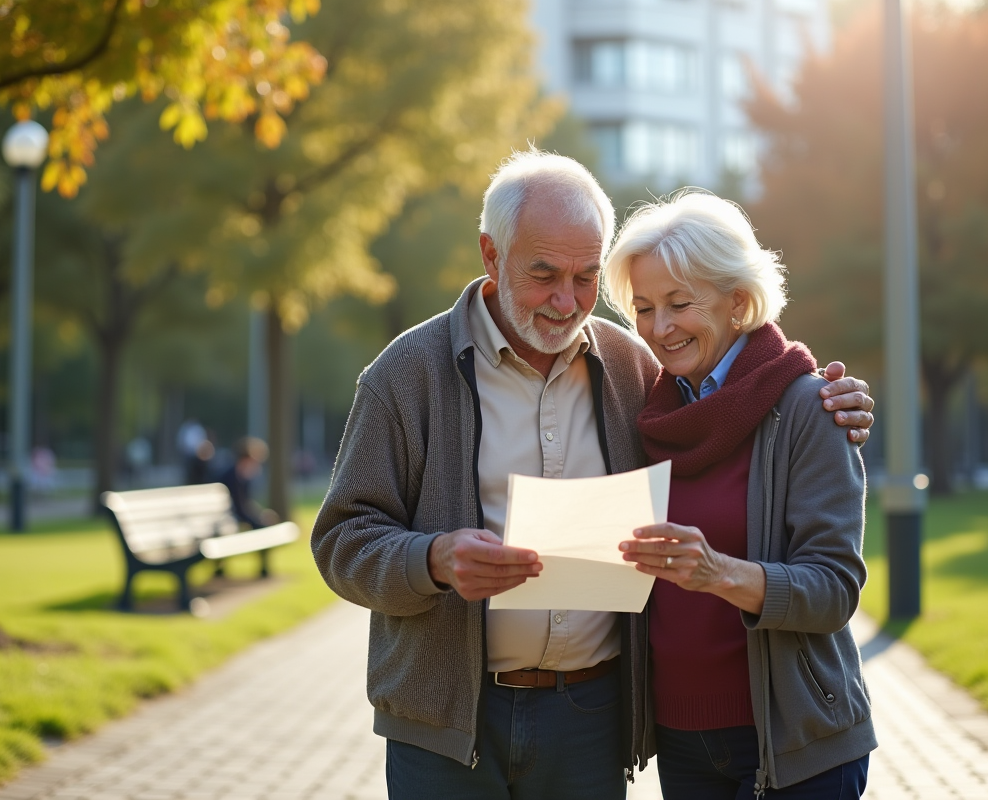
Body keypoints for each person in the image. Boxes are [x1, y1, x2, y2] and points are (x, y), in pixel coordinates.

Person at [311, 151, 875, 800]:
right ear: (491, 256)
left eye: (585, 277)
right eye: (544, 273)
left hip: (591, 718)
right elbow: (339, 540)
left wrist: (828, 396)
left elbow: (737, 375)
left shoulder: (631, 367)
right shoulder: (405, 375)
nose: (567, 301)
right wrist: (432, 559)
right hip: (446, 726)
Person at [610, 193, 875, 798]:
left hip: (791, 742)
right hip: (679, 740)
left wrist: (720, 574)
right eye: (644, 308)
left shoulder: (808, 406)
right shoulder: (647, 410)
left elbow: (834, 589)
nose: (660, 328)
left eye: (680, 304)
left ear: (738, 300)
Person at [219, 436, 279, 528]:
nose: (257, 465)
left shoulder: (241, 477)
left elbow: (246, 504)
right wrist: (260, 524)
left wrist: (261, 515)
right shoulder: (231, 478)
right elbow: (239, 510)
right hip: (225, 520)